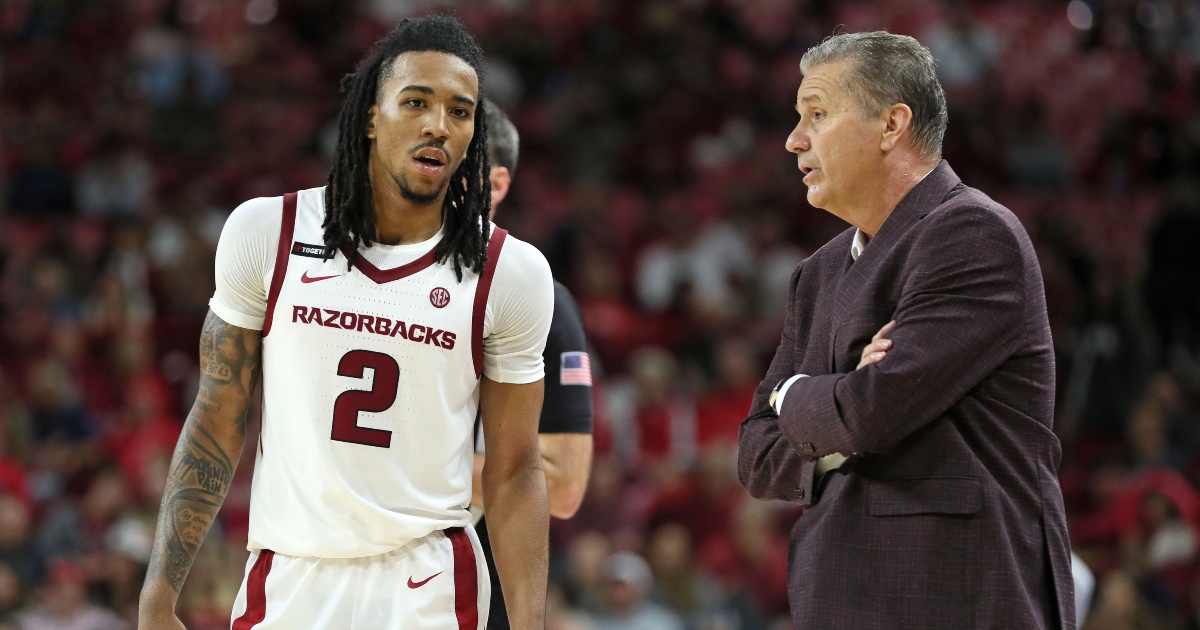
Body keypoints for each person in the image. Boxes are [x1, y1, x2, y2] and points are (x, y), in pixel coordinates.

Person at [136, 16, 554, 630]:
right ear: (369, 118)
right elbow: (218, 417)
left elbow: (516, 470)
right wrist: (157, 595)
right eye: (416, 102)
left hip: (429, 584)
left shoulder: (510, 272)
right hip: (288, 577)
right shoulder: (266, 232)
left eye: (460, 112)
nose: (439, 124)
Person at [736, 32, 1075, 628]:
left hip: (956, 594)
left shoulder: (971, 233)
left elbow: (876, 410)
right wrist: (843, 405)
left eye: (817, 114)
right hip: (842, 596)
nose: (794, 140)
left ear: (891, 125)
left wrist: (793, 395)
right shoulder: (815, 275)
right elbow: (755, 453)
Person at [470, 101, 594, 630]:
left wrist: (403, 460)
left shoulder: (536, 294)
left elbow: (565, 485)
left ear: (496, 185)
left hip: (472, 585)